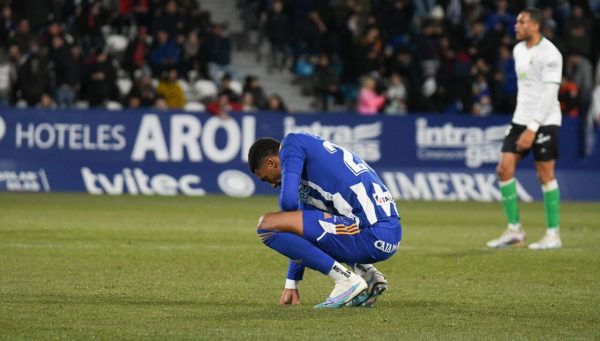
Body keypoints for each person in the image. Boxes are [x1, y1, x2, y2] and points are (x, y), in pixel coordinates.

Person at [248, 133, 402, 308]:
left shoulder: (291, 144)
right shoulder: (312, 171)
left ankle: (347, 281)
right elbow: (300, 232)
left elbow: (288, 204)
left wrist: (288, 210)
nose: (273, 184)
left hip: (372, 232)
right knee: (306, 228)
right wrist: (292, 283)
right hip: (388, 233)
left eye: (267, 178)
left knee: (267, 225)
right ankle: (368, 274)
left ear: (271, 162)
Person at [486, 8, 563, 250]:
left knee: (545, 174)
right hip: (521, 118)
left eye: (522, 21)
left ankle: (553, 234)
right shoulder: (518, 50)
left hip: (546, 118)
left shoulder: (551, 53)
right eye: (517, 21)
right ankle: (514, 231)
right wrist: (524, 123)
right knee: (504, 169)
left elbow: (550, 93)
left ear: (536, 26)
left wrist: (533, 128)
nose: (516, 25)